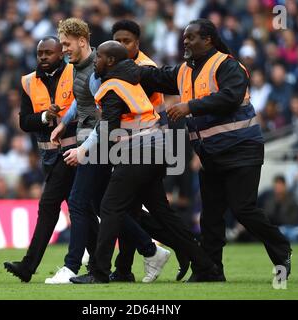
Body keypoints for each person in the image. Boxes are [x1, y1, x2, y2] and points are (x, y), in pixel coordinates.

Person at [138, 19, 292, 280]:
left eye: (191, 37)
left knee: (243, 209)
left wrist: (190, 106)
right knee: (210, 215)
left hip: (242, 147)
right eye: (184, 37)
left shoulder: (228, 64)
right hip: (211, 153)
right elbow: (156, 76)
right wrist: (126, 66)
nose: (185, 41)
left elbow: (230, 97)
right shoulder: (185, 71)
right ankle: (211, 271)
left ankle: (281, 249)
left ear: (208, 39)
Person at [69, 41, 222, 284]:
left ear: (109, 61)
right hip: (157, 149)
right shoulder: (131, 81)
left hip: (140, 152)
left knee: (109, 207)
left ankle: (98, 273)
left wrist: (96, 156)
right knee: (160, 212)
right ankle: (206, 265)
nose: (95, 62)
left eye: (99, 58)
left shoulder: (112, 87)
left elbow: (109, 128)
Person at [46, 18, 169, 284]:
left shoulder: (97, 70)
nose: (63, 49)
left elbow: (104, 119)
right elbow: (82, 102)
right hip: (93, 140)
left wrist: (83, 150)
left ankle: (71, 266)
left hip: (100, 143)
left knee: (79, 202)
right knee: (103, 205)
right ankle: (152, 249)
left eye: (66, 44)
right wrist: (63, 124)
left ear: (82, 41)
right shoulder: (79, 67)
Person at [109, 19, 189, 282]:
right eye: (117, 41)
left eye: (127, 42)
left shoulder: (143, 70)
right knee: (146, 208)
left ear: (137, 44)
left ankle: (186, 248)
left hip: (146, 145)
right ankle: (186, 248)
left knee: (120, 206)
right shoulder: (121, 68)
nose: (122, 46)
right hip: (134, 145)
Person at [3, 36, 77, 282]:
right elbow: (24, 122)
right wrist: (45, 116)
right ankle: (150, 248)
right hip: (49, 156)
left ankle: (28, 266)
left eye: (49, 52)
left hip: (74, 154)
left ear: (61, 54)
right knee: (88, 208)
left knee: (48, 207)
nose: (43, 57)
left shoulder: (76, 73)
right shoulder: (27, 82)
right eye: (40, 53)